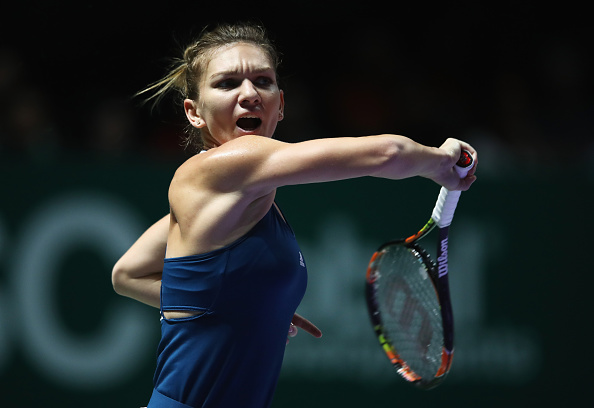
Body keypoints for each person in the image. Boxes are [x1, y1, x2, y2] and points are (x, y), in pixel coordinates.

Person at [111, 22, 477, 408]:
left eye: (262, 81)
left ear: (280, 104)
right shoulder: (220, 170)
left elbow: (127, 273)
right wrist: (440, 161)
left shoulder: (239, 201)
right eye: (227, 83)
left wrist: (245, 309)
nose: (249, 93)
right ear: (194, 112)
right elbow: (388, 153)